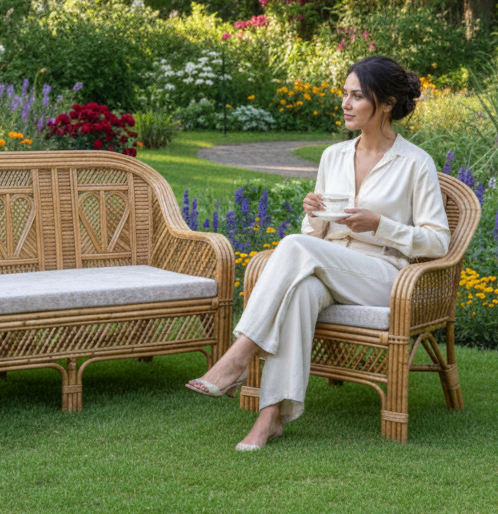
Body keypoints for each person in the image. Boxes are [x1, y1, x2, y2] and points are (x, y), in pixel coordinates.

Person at [186, 56, 450, 451]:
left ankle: (239, 355)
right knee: (301, 294)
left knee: (292, 245)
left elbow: (438, 241)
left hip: (383, 276)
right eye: (344, 94)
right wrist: (315, 215)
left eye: (357, 96)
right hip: (328, 263)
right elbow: (315, 234)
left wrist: (380, 225)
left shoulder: (415, 163)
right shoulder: (333, 156)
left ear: (387, 103)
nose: (345, 103)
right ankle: (269, 418)